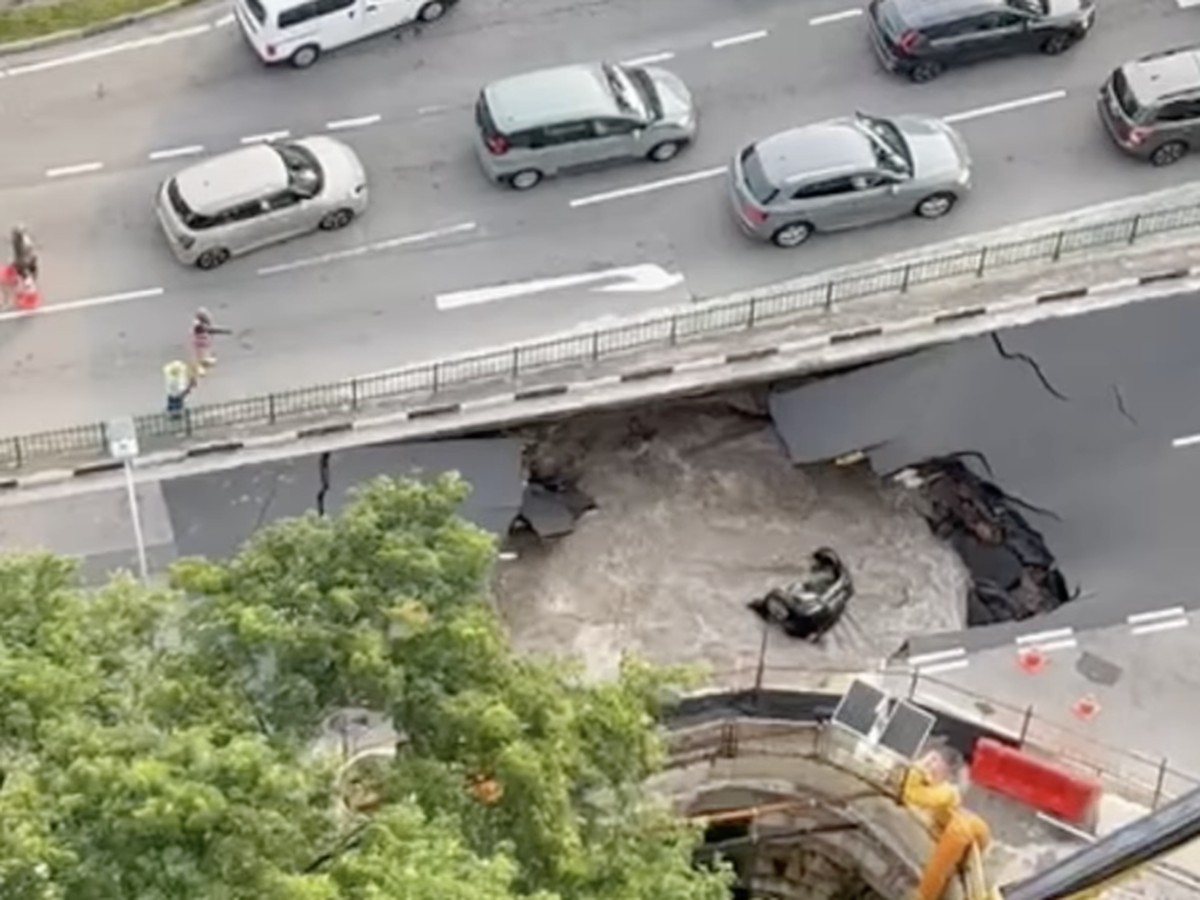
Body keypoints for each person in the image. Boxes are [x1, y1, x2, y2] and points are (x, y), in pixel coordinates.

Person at [191, 307, 232, 375]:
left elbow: (210, 330)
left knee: (204, 353)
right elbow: (210, 330)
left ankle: (205, 363)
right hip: (199, 343)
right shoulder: (198, 325)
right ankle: (200, 367)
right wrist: (224, 331)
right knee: (200, 355)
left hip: (203, 343)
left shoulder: (202, 324)